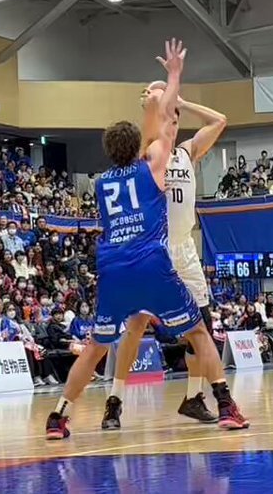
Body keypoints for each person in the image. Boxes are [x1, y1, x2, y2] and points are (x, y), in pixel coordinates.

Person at [46, 39, 248, 441]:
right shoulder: (153, 158)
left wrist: (169, 98)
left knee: (99, 345)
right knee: (185, 331)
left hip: (126, 259)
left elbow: (204, 121)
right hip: (153, 256)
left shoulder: (111, 177)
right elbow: (158, 123)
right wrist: (171, 79)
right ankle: (221, 403)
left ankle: (59, 415)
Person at [107, 76, 229, 424]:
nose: (169, 118)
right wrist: (155, 95)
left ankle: (193, 397)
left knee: (202, 329)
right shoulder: (146, 153)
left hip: (185, 249)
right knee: (136, 326)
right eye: (164, 112)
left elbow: (220, 120)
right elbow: (149, 122)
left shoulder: (187, 152)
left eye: (173, 114)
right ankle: (115, 400)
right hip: (153, 249)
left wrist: (183, 102)